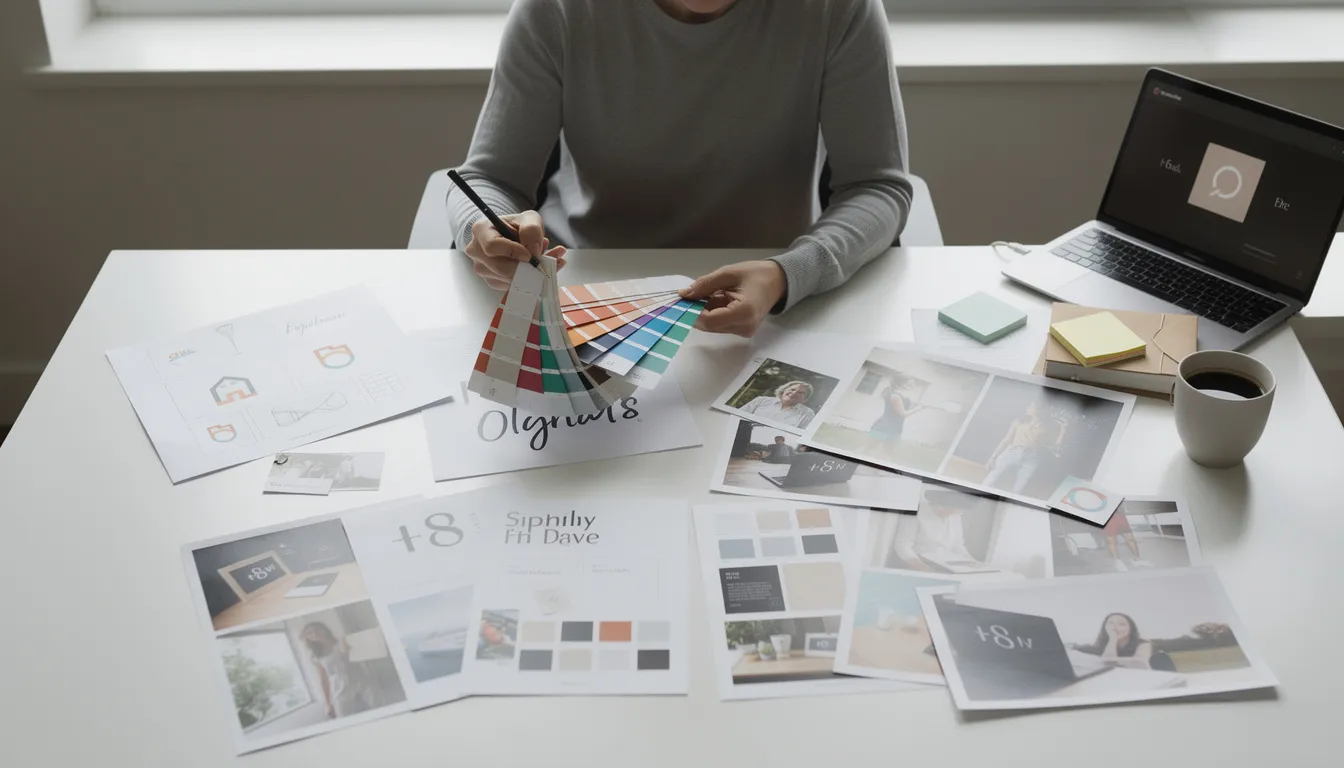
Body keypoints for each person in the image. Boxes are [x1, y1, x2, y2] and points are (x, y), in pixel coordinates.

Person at [448, 0, 912, 337]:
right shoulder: (556, 10)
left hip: (772, 298)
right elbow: (487, 180)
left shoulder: (839, 9)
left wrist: (789, 273)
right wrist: (487, 228)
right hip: (590, 292)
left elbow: (877, 186)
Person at [983, 400, 1067, 495]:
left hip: (1032, 458)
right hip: (1011, 452)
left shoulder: (1047, 427)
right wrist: (993, 457)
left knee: (1019, 490)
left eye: (1031, 406)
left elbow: (1055, 447)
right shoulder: (1019, 421)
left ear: (1039, 410)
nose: (1028, 408)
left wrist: (1063, 431)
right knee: (990, 481)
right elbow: (1006, 439)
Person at [887, 491, 984, 572]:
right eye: (951, 509)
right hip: (916, 562)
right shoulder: (916, 512)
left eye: (957, 511)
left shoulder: (955, 516)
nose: (955, 513)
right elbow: (903, 545)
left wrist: (970, 559)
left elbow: (957, 545)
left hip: (943, 564)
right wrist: (919, 565)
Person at [301, 622, 377, 719]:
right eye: (309, 633)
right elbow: (323, 680)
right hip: (339, 685)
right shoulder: (315, 655)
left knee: (377, 705)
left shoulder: (343, 641)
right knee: (343, 715)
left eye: (317, 630)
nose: (314, 634)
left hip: (359, 676)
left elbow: (363, 656)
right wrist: (327, 704)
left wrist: (347, 649)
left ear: (324, 629)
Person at [865, 381, 929, 458]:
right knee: (867, 449)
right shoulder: (895, 396)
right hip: (883, 426)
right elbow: (903, 414)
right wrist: (919, 408)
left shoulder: (901, 396)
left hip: (895, 428)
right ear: (900, 383)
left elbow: (905, 409)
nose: (912, 384)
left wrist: (917, 406)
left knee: (886, 454)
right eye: (909, 382)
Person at [1070, 613, 1154, 670]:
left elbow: (1139, 662)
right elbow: (1106, 663)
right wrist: (1113, 640)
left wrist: (1114, 638)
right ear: (1105, 627)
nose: (1115, 627)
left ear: (1131, 629)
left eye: (1121, 624)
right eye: (1111, 623)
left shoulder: (1143, 643)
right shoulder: (1099, 645)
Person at [738, 381, 818, 429]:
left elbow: (802, 434)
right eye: (792, 389)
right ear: (783, 390)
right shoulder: (761, 400)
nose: (794, 393)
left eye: (801, 393)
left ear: (805, 398)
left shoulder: (808, 413)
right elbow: (738, 416)